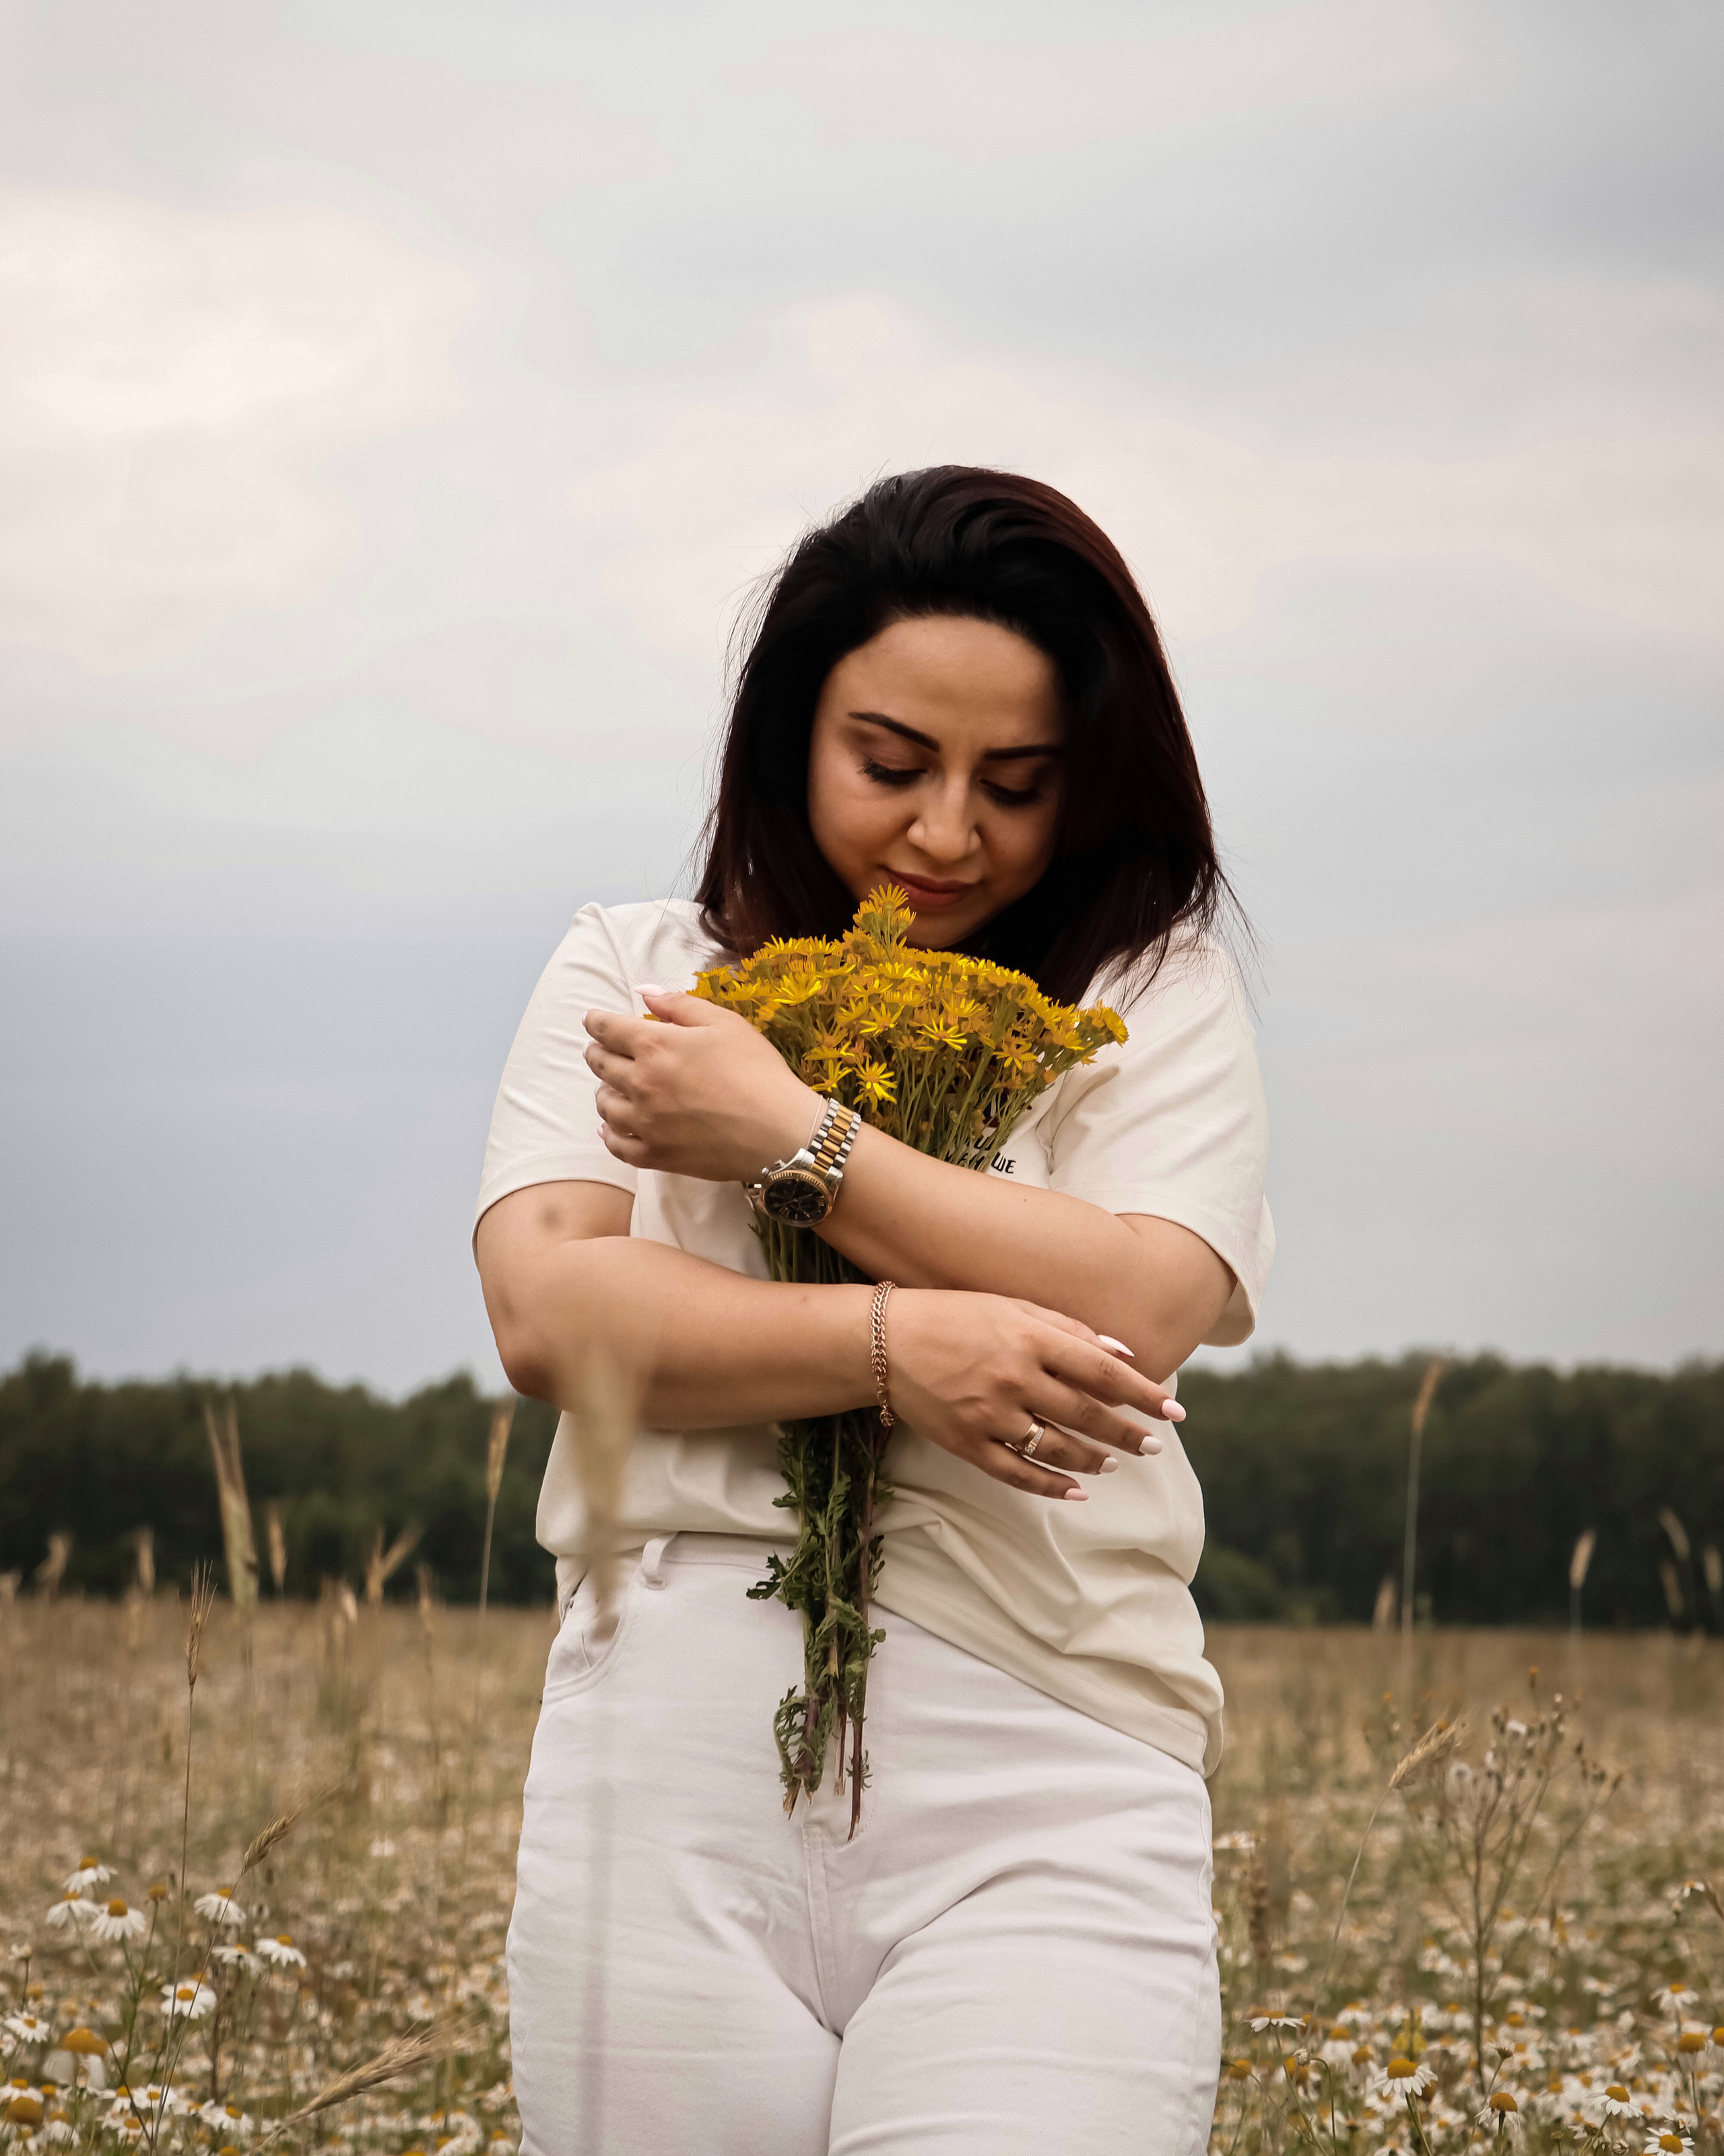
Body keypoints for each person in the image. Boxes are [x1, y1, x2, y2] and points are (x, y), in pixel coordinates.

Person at [474, 466, 1273, 2155]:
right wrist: (898, 1351)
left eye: (1018, 783)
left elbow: (1141, 1294)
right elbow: (555, 1315)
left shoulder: (1147, 995)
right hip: (665, 1760)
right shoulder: (636, 965)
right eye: (891, 764)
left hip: (1046, 1772)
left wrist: (790, 1137)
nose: (944, 834)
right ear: (789, 735)